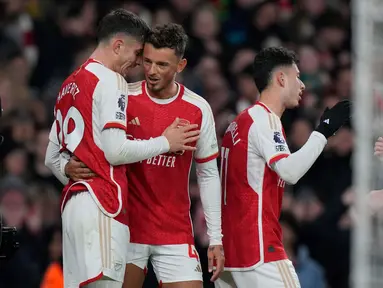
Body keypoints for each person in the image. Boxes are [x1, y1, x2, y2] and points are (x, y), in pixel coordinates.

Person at [57, 23, 225, 288]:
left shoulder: (197, 109)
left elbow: (208, 174)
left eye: (162, 65)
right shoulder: (124, 96)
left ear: (180, 66)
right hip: (128, 227)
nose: (151, 71)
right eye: (147, 61)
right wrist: (65, 166)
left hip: (175, 231)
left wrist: (216, 237)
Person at [215, 47, 351, 288]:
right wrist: (324, 132)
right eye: (297, 76)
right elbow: (290, 172)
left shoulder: (238, 123)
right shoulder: (265, 119)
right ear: (281, 78)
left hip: (232, 254)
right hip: (259, 250)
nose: (302, 85)